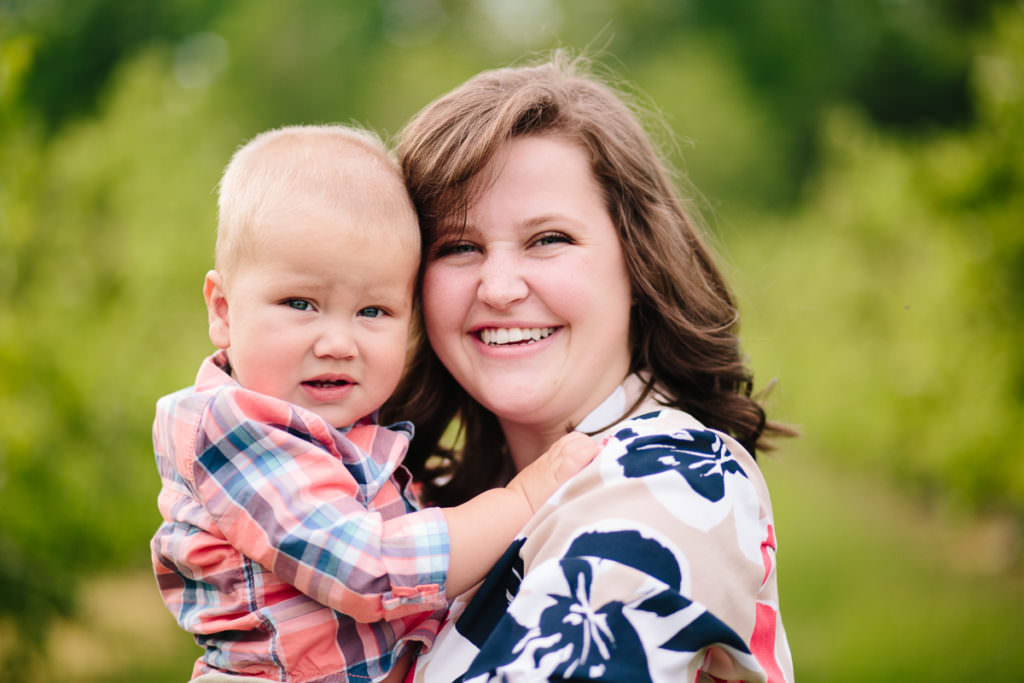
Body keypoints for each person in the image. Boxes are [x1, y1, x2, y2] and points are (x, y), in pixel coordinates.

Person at [382, 52, 796, 682]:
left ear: (638, 262)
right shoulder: (432, 508)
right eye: (458, 246)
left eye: (548, 239)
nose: (499, 288)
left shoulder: (671, 481)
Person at [150, 124, 598, 683]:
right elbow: (368, 569)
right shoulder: (236, 430)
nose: (339, 343)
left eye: (373, 312)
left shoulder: (343, 428)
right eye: (300, 303)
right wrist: (523, 497)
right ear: (222, 310)